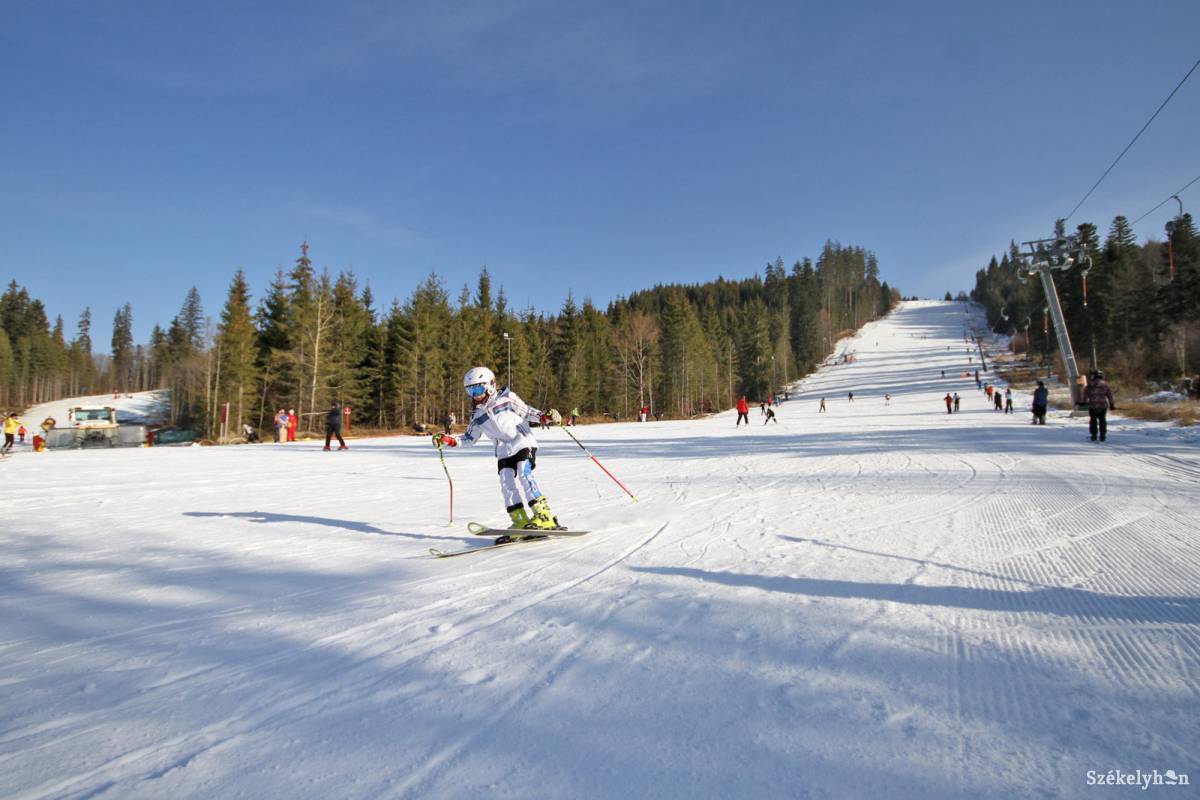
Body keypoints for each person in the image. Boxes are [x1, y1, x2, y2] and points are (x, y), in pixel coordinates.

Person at [433, 367, 563, 541]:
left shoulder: (507, 398)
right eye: (470, 391)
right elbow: (469, 438)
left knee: (524, 474)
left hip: (522, 441)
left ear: (490, 385)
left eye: (478, 389)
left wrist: (544, 417)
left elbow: (527, 411)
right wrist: (448, 440)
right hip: (503, 450)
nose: (475, 395)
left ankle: (544, 515)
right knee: (506, 484)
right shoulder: (477, 415)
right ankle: (519, 520)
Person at [1083, 370, 1116, 442]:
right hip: (1103, 406)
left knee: (1093, 421)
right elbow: (1110, 395)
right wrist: (1112, 404)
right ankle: (1102, 436)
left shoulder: (1089, 385)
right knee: (1102, 420)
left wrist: (1085, 402)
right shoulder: (1105, 385)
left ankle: (1094, 435)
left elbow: (1086, 396)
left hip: (1092, 406)